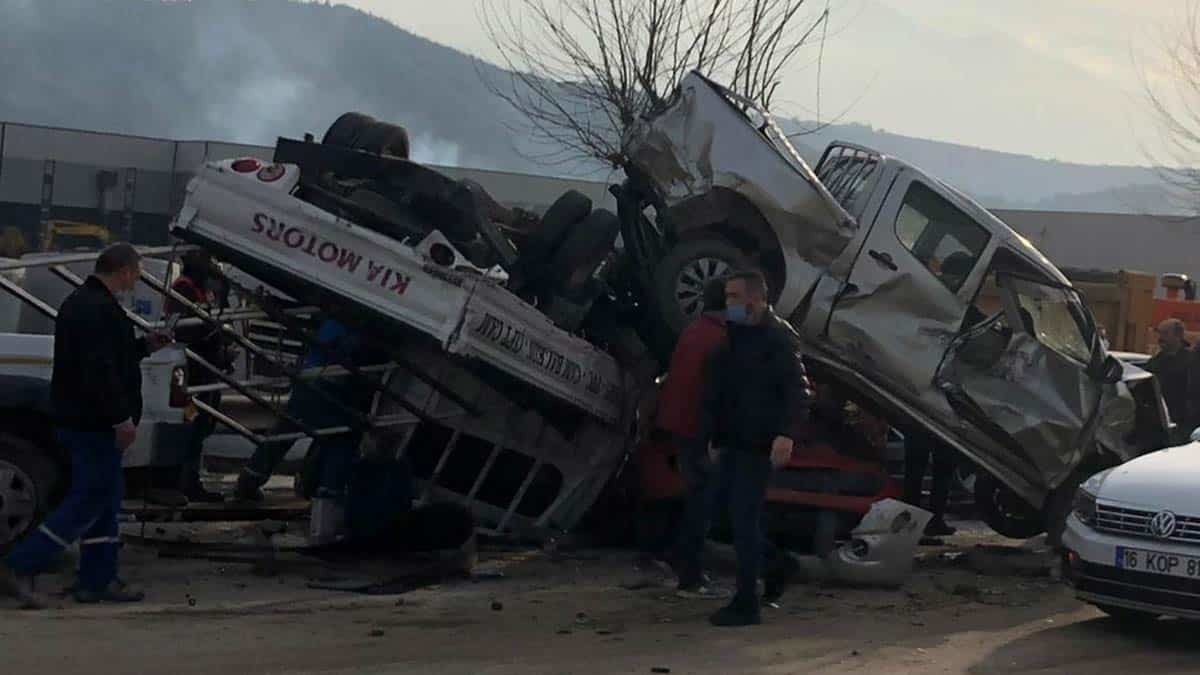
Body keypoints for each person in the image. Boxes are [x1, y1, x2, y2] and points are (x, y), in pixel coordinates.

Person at [1, 243, 170, 608]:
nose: (137, 279)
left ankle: (97, 580)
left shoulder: (87, 304)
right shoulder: (96, 309)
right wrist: (120, 419)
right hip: (93, 424)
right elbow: (99, 371)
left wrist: (144, 347)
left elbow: (109, 357)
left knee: (106, 502)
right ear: (124, 270)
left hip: (87, 420)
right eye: (137, 272)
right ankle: (21, 564)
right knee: (90, 497)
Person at [698, 270, 809, 627]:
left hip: (758, 443)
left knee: (743, 521)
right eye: (726, 296)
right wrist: (715, 436)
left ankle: (747, 603)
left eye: (733, 296)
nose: (727, 303)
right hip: (733, 440)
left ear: (756, 299)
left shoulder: (778, 337)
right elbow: (724, 392)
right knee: (725, 519)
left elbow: (798, 389)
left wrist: (786, 434)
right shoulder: (736, 335)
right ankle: (778, 566)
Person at [232, 318, 378, 503]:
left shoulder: (333, 321)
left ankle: (248, 481)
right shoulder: (357, 329)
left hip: (310, 379)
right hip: (332, 386)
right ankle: (327, 498)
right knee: (343, 437)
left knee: (287, 430)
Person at [658, 279, 730, 597]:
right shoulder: (722, 339)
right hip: (703, 432)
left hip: (683, 428)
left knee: (696, 500)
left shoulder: (696, 329)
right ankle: (691, 577)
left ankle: (677, 561)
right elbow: (716, 395)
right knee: (703, 504)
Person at [158, 250, 230, 504]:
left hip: (207, 367)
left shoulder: (203, 289)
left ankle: (188, 479)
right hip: (193, 370)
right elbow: (186, 329)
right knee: (193, 425)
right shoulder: (184, 288)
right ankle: (184, 481)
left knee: (203, 425)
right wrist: (211, 335)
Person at [903, 429, 957, 538]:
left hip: (918, 424)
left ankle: (911, 522)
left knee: (914, 474)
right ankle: (935, 522)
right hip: (942, 427)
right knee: (943, 474)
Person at [1145, 318, 1198, 428]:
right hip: (1156, 420)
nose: (1160, 338)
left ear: (1178, 335)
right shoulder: (1155, 361)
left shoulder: (1192, 361)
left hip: (1183, 422)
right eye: (1159, 333)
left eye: (1165, 333)